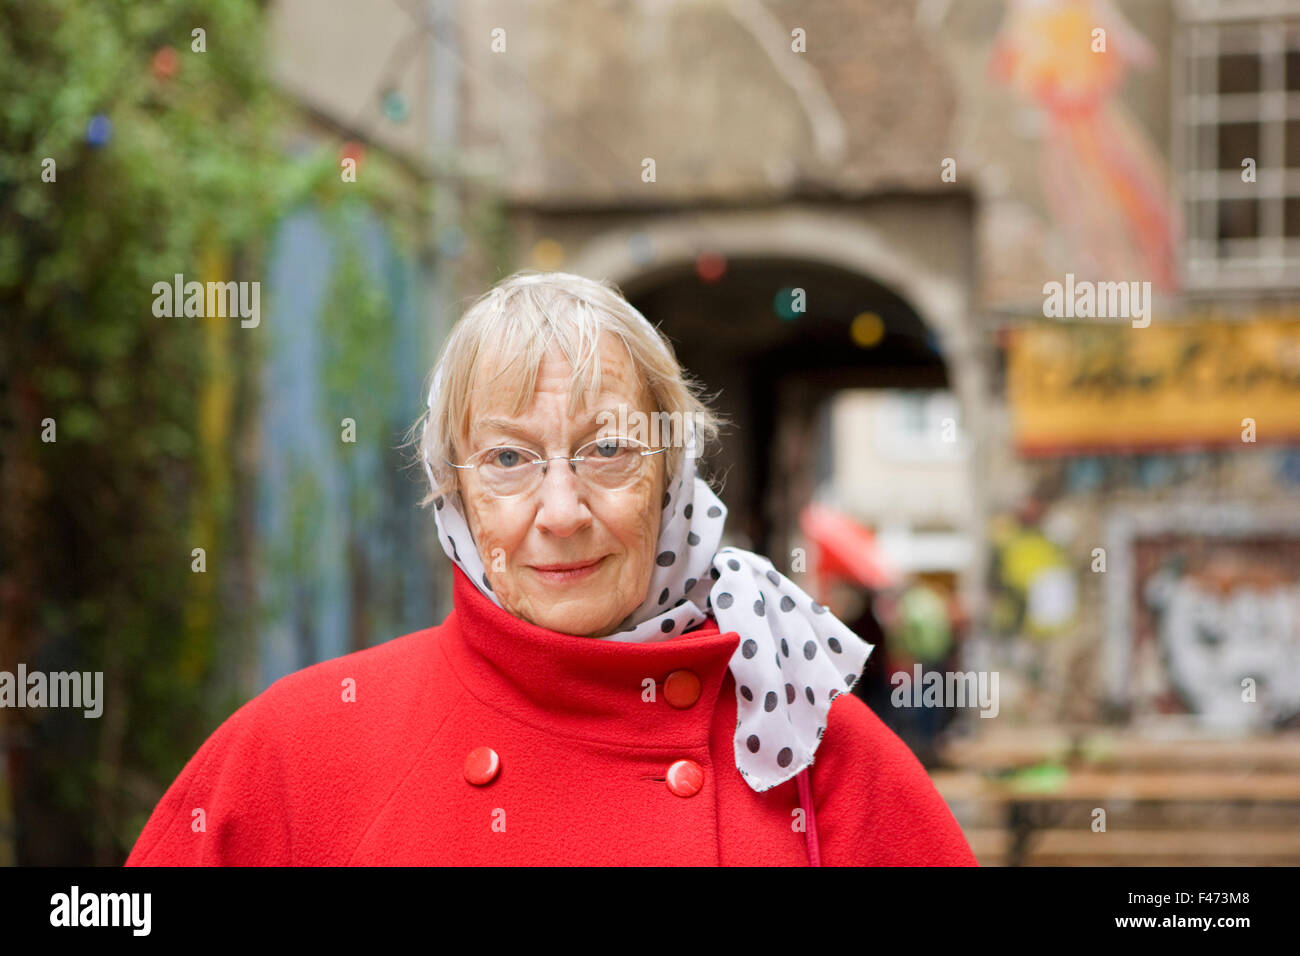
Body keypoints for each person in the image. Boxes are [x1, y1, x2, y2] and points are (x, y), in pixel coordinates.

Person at [125, 271, 977, 866]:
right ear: (452, 494)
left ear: (672, 476)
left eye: (608, 451)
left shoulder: (809, 746)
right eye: (508, 459)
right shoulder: (296, 753)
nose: (563, 512)